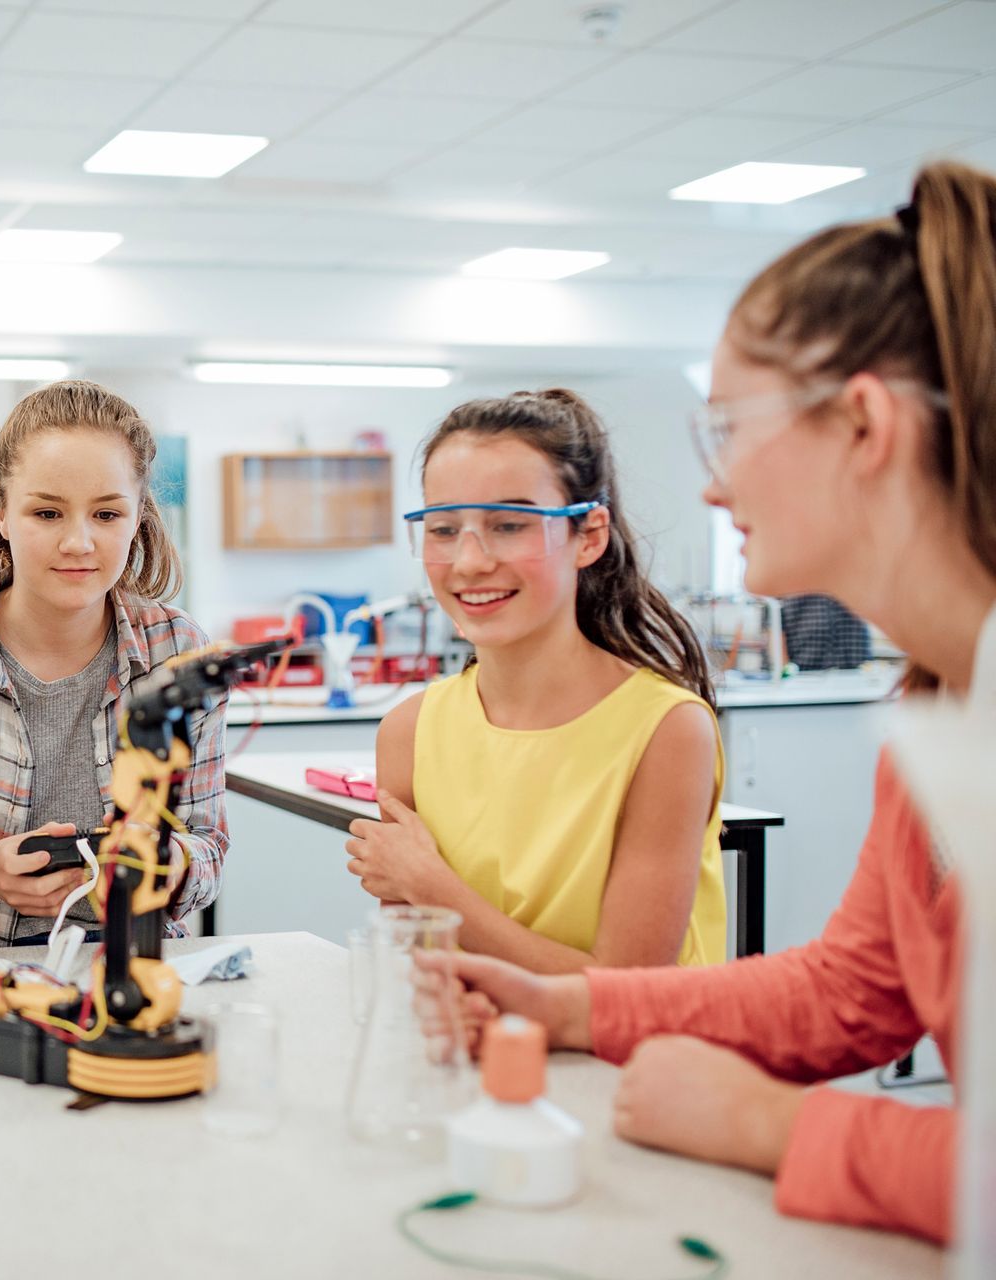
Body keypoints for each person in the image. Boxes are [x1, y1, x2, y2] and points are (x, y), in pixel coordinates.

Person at [419, 159, 995, 1246]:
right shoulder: (940, 704)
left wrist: (774, 1123)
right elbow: (851, 989)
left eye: (728, 429)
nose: (711, 485)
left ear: (863, 427)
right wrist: (570, 1007)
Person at [345, 390, 727, 970]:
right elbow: (421, 962)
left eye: (509, 525)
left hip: (636, 1060)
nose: (470, 561)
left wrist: (432, 887)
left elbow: (631, 989)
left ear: (589, 536)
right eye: (444, 529)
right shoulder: (409, 731)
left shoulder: (666, 731)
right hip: (468, 1050)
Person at [0, 380, 226, 943]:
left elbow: (207, 847)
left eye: (107, 514)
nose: (79, 542)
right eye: (47, 513)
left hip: (139, 974)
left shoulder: (180, 656)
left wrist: (166, 864)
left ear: (138, 517)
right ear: (1, 514)